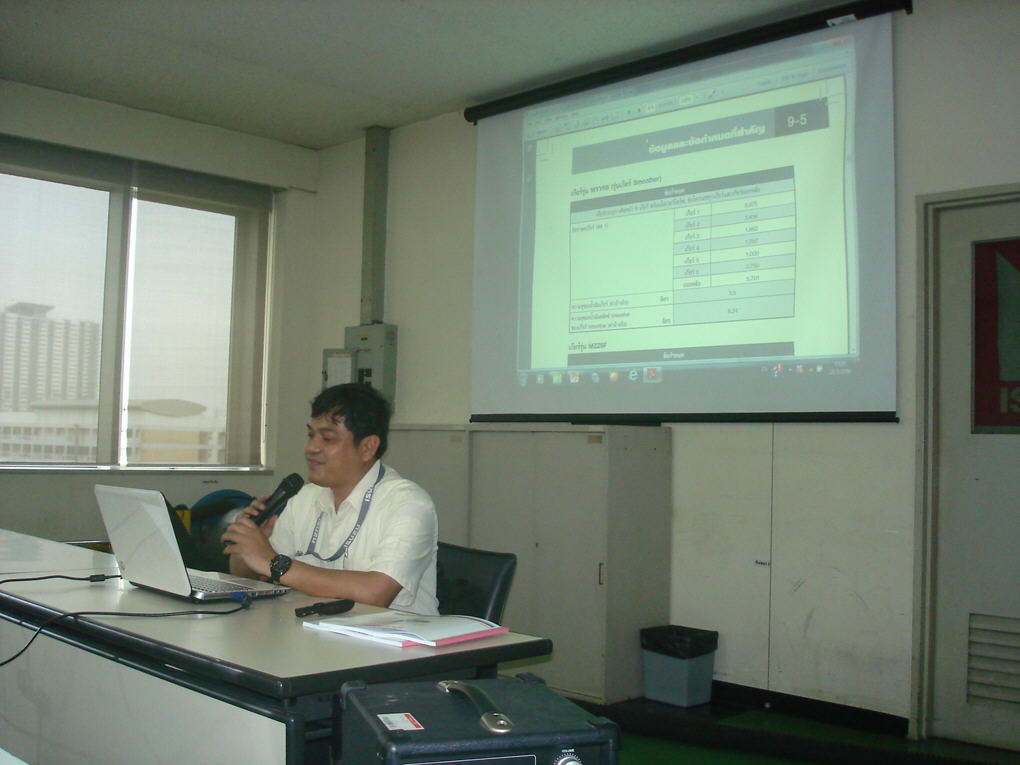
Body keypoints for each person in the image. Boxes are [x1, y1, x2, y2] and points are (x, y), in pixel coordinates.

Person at [221, 383, 438, 614]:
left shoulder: (409, 504)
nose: (311, 448)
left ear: (367, 447)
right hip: (313, 630)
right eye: (310, 435)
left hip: (396, 635)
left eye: (327, 438)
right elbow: (248, 573)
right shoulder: (304, 498)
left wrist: (273, 562)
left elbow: (375, 594)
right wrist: (250, 542)